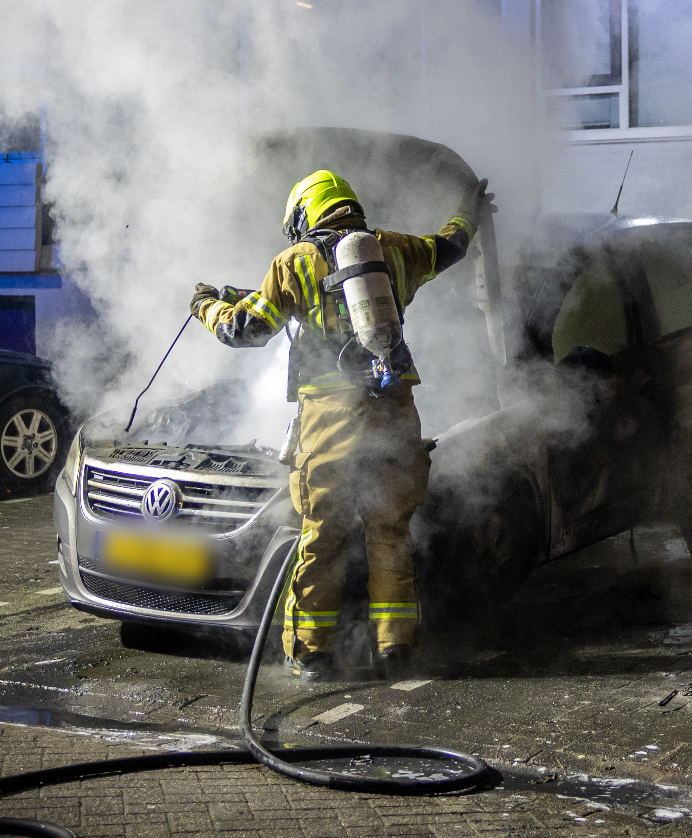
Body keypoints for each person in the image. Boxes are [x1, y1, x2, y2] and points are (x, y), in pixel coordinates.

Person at [191, 169, 488, 682]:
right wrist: (471, 207)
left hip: (330, 415)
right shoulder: (393, 250)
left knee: (323, 535)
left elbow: (245, 329)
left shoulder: (293, 263)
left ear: (305, 215)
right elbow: (451, 244)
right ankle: (396, 649)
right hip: (394, 406)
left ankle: (311, 655)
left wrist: (205, 305)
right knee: (390, 531)